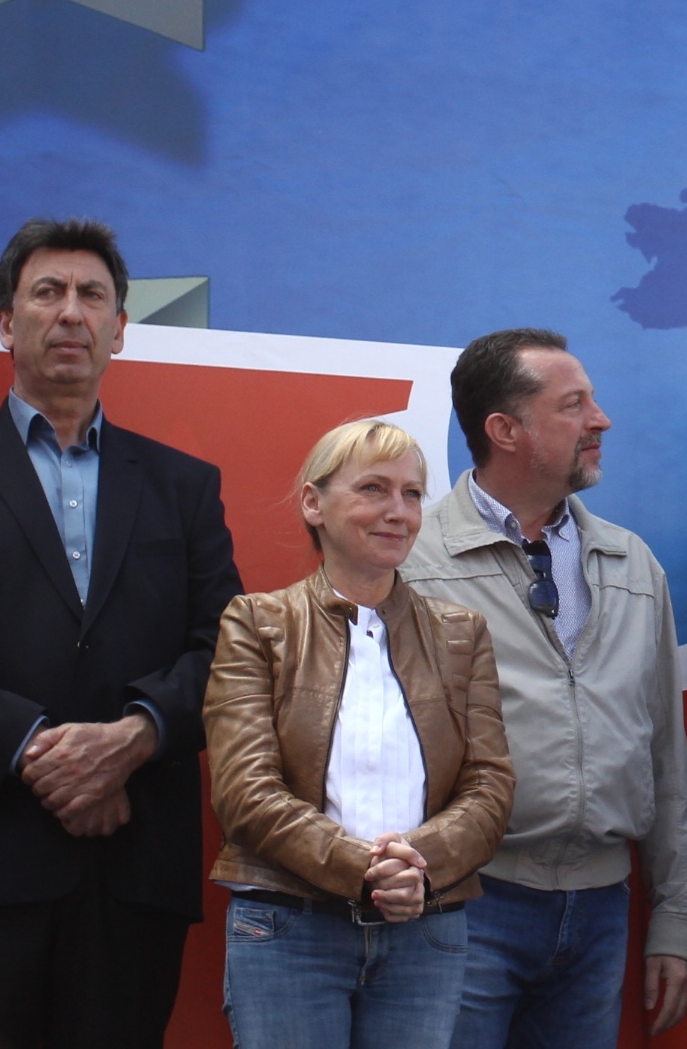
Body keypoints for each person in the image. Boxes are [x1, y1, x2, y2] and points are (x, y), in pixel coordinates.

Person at [0, 217, 243, 1048]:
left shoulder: (183, 487)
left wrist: (133, 740)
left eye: (92, 295)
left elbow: (229, 654)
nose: (71, 312)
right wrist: (41, 751)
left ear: (119, 329)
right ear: (6, 322)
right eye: (47, 292)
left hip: (129, 876)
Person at [402, 328, 687, 1046]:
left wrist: (678, 916)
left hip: (602, 912)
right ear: (505, 430)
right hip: (462, 905)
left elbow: (665, 756)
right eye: (574, 405)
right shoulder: (413, 563)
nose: (601, 420)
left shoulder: (631, 563)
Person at [205, 419, 515, 1047]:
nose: (398, 511)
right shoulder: (257, 623)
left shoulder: (462, 633)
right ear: (313, 504)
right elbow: (244, 792)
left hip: (425, 933)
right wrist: (371, 872)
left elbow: (490, 786)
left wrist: (419, 866)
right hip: (290, 929)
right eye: (373, 488)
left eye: (412, 493)